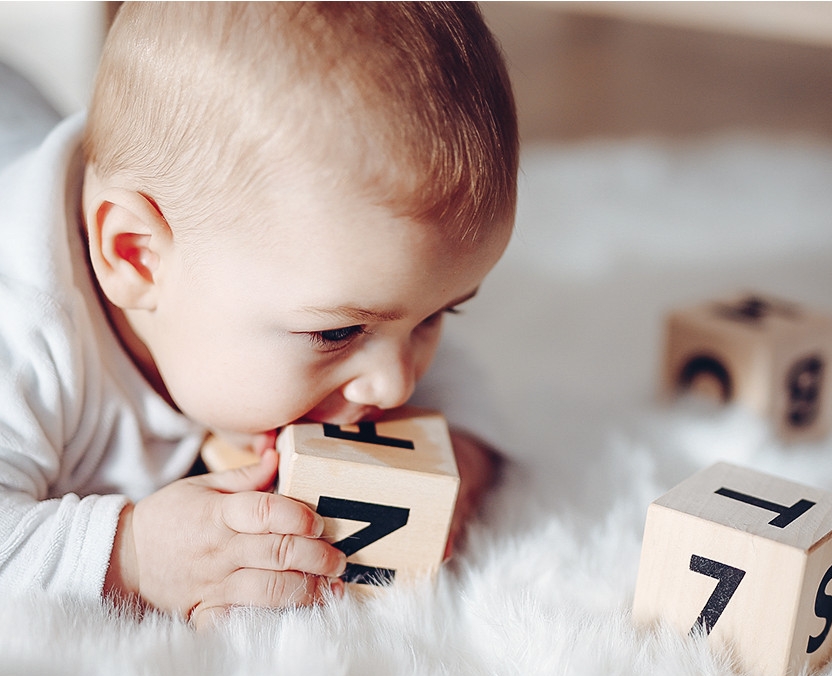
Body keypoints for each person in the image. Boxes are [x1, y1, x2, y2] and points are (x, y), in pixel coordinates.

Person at [0, 2, 518, 624]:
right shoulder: (24, 336)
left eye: (438, 317)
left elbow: (434, 358)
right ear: (137, 258)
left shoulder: (350, 293)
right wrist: (131, 557)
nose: (397, 382)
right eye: (337, 332)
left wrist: (459, 453)